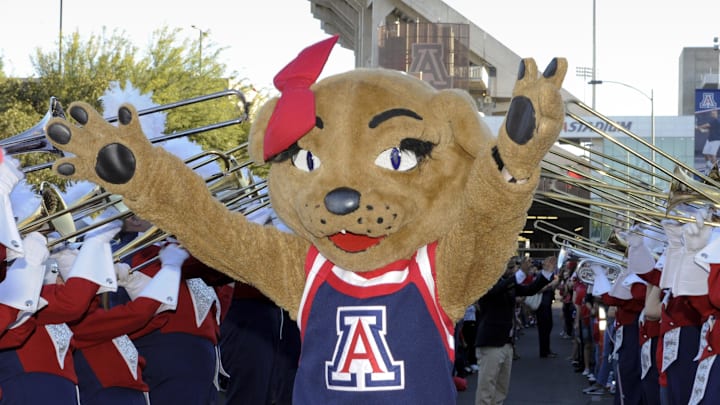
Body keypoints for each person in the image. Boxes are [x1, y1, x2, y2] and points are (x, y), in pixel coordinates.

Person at [473, 255, 554, 405]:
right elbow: (497, 290)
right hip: (491, 343)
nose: (511, 269)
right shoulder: (485, 283)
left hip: (506, 343)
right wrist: (521, 273)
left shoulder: (507, 283)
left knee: (501, 391)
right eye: (508, 266)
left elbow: (529, 290)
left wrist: (546, 273)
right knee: (486, 390)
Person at [536, 256, 559, 358]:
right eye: (550, 264)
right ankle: (544, 351)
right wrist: (550, 285)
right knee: (543, 328)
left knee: (548, 326)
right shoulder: (539, 275)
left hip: (547, 303)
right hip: (541, 304)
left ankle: (547, 349)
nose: (552, 266)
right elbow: (538, 289)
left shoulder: (550, 275)